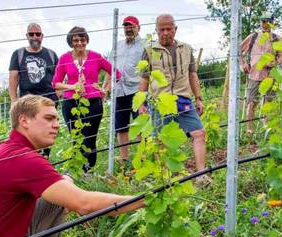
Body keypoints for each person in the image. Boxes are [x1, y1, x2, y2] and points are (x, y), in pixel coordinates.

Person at [0, 95, 144, 237]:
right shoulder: (23, 159)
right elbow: (84, 204)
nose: (56, 125)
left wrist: (67, 184)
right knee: (68, 198)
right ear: (24, 121)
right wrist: (146, 200)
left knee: (59, 194)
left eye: (57, 119)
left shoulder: (4, 148)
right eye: (49, 118)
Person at [138, 14, 210, 184]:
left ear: (175, 29)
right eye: (161, 29)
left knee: (199, 133)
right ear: (156, 30)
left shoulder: (186, 49)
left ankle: (201, 174)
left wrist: (198, 98)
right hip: (160, 101)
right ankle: (165, 178)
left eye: (168, 29)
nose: (165, 33)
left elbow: (193, 74)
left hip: (184, 99)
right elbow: (144, 78)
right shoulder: (149, 51)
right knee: (160, 140)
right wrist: (141, 101)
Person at [52, 26, 121, 172]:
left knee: (90, 138)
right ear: (70, 42)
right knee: (76, 138)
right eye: (75, 40)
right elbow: (55, 83)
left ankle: (88, 170)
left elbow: (116, 73)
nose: (79, 43)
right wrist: (73, 87)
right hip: (70, 102)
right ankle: (76, 169)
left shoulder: (96, 56)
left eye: (82, 39)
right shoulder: (64, 58)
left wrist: (105, 89)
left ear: (86, 40)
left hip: (93, 103)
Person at [9, 23, 59, 157]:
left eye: (38, 34)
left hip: (49, 101)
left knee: (47, 134)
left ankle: (44, 160)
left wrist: (59, 96)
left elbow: (58, 78)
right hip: (27, 103)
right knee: (28, 134)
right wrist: (14, 101)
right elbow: (13, 78)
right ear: (27, 36)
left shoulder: (51, 54)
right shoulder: (18, 54)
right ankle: (29, 160)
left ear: (42, 36)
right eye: (31, 34)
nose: (35, 37)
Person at [103, 16, 144, 167]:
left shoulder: (145, 45)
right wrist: (105, 87)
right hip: (119, 90)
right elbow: (109, 68)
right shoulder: (117, 45)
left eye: (131, 26)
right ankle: (124, 158)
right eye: (126, 26)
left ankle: (142, 157)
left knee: (140, 125)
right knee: (121, 127)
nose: (128, 28)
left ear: (138, 27)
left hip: (137, 90)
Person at [239, 13, 282, 134]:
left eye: (268, 21)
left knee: (268, 103)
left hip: (270, 76)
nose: (265, 24)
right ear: (260, 22)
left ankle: (266, 129)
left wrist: (275, 62)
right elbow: (238, 49)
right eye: (263, 21)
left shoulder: (277, 38)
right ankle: (249, 129)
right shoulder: (253, 36)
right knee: (252, 102)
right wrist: (243, 63)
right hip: (254, 74)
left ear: (272, 23)